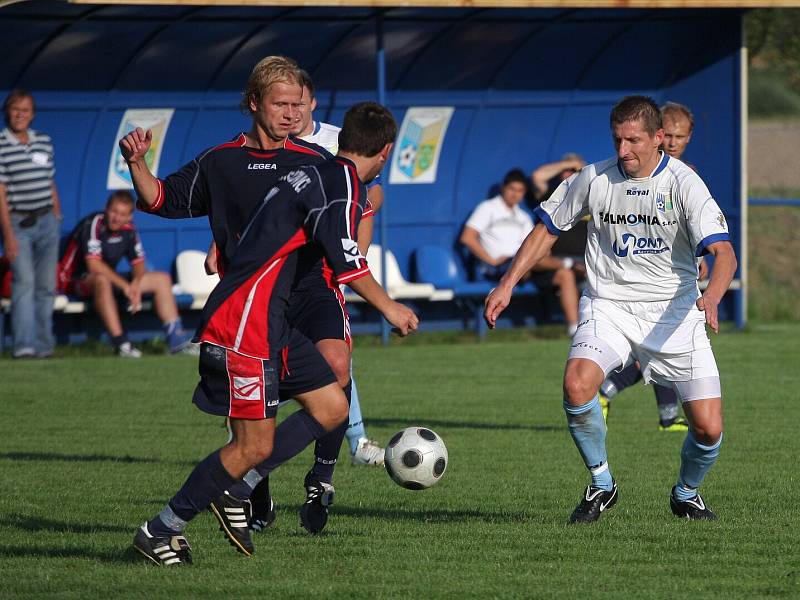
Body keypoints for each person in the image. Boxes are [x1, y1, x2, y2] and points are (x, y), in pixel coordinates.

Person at [485, 95, 736, 523]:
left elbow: (723, 251)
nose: (623, 151)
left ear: (658, 139)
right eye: (618, 139)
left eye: (634, 140)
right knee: (577, 385)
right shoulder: (593, 178)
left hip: (675, 313)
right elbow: (546, 231)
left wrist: (711, 295)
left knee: (709, 429)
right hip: (609, 306)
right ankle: (601, 483)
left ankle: (686, 493)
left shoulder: (683, 183)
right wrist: (507, 283)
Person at [292, 68, 385, 466]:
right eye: (282, 103)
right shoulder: (264, 147)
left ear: (312, 103)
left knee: (337, 356)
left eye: (298, 103)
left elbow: (370, 197)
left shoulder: (338, 143)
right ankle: (246, 457)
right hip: (276, 273)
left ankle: (354, 443)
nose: (291, 112)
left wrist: (350, 255)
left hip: (324, 273)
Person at [598, 101, 704, 430]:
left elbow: (691, 228)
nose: (673, 142)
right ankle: (609, 390)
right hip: (641, 281)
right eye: (668, 135)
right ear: (657, 135)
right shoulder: (633, 175)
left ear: (689, 138)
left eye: (680, 136)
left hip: (676, 277)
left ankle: (666, 416)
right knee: (661, 348)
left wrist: (700, 260)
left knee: (666, 347)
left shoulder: (688, 177)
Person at [56, 191, 194, 357]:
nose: (116, 218)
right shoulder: (94, 223)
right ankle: (121, 343)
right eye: (114, 212)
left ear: (129, 217)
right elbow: (94, 266)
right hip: (74, 280)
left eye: (122, 214)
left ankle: (177, 341)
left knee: (161, 279)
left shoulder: (129, 229)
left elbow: (139, 263)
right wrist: (126, 287)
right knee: (101, 280)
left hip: (108, 280)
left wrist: (135, 285)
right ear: (106, 209)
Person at [461, 168, 580, 335]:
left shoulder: (522, 216)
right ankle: (571, 263)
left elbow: (534, 245)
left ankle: (573, 328)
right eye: (512, 189)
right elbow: (467, 238)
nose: (515, 194)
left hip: (525, 267)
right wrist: (490, 260)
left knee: (565, 274)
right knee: (537, 260)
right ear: (504, 188)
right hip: (500, 266)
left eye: (520, 191)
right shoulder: (488, 208)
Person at [0, 90, 62, 359]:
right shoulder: (1, 144)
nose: (20, 115)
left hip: (47, 218)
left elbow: (50, 179)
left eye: (25, 110)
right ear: (7, 112)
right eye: (15, 109)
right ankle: (24, 345)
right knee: (24, 282)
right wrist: (8, 235)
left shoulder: (43, 141)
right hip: (18, 221)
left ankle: (44, 345)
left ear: (33, 114)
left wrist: (57, 212)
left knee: (47, 284)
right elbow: (0, 191)